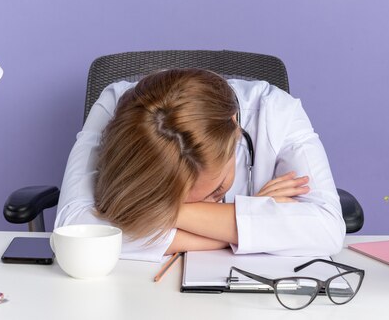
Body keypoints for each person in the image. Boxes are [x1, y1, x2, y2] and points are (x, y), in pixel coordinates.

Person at [55, 68, 345, 262]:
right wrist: (246, 219)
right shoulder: (113, 109)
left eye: (218, 188)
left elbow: (327, 229)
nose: (210, 204)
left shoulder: (276, 112)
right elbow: (73, 228)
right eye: (177, 200)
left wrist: (160, 210)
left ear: (235, 127)